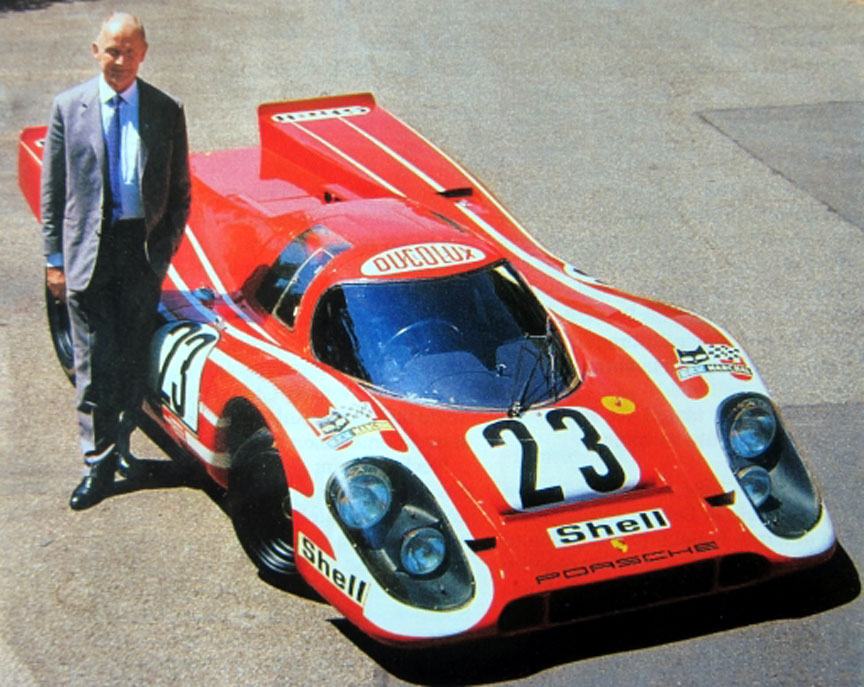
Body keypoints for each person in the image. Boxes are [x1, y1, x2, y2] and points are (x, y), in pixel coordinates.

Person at [40, 12, 191, 510]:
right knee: (93, 365)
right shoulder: (68, 108)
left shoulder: (165, 110)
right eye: (111, 50)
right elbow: (53, 193)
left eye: (129, 51)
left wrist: (162, 250)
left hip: (139, 255)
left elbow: (180, 192)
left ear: (143, 54)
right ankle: (97, 466)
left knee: (130, 360)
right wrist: (55, 262)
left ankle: (122, 450)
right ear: (95, 51)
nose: (119, 60)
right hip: (89, 254)